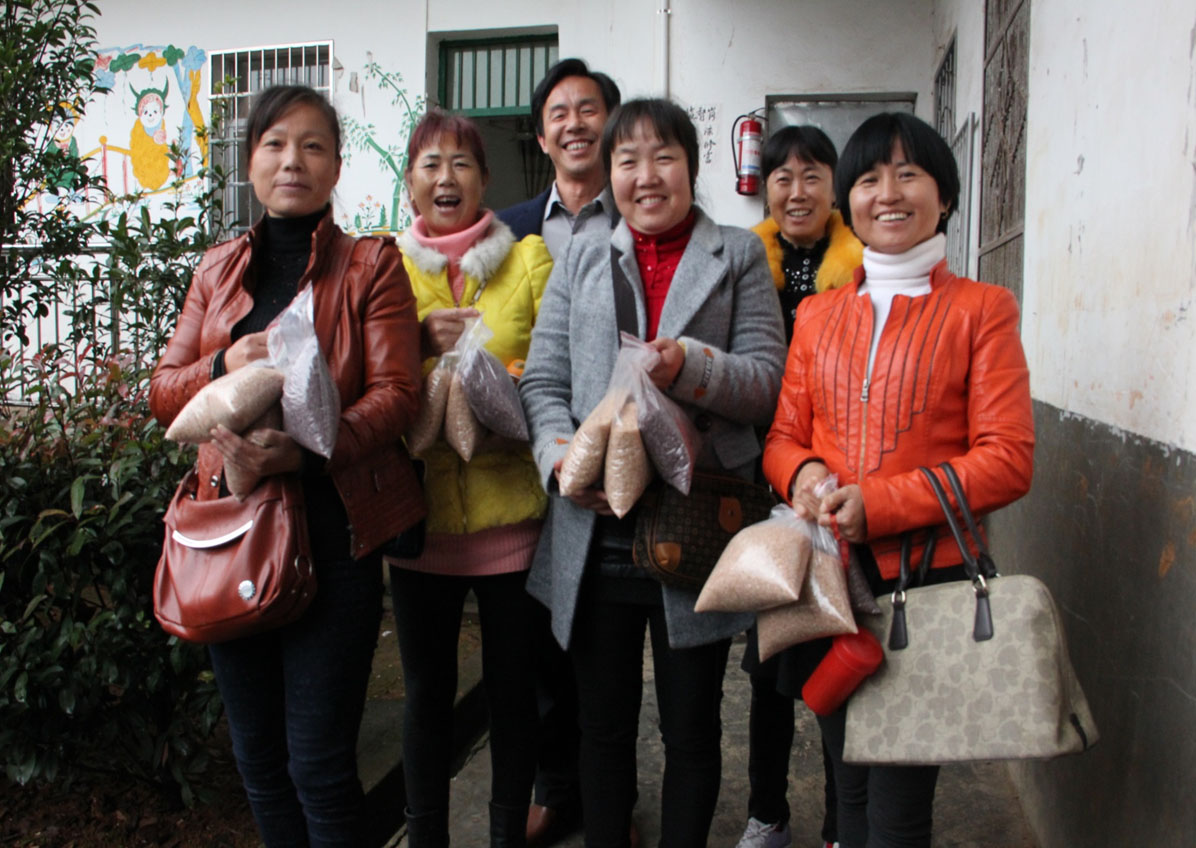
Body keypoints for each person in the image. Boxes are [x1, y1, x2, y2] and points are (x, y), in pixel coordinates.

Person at [149, 84, 423, 847]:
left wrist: (308, 453)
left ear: (335, 166)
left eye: (312, 145)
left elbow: (398, 394)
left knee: (320, 766)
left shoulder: (371, 265)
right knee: (260, 762)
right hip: (230, 534)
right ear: (250, 163)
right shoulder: (216, 271)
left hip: (334, 538)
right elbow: (162, 391)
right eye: (274, 144)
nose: (292, 160)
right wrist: (222, 363)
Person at [519, 98, 786, 848]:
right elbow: (542, 383)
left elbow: (767, 382)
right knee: (601, 728)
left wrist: (691, 366)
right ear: (610, 174)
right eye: (628, 160)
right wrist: (563, 462)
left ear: (691, 169)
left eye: (663, 157)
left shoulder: (737, 255)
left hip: (695, 527)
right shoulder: (582, 256)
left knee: (691, 729)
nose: (646, 176)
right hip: (596, 531)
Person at [763, 112, 1035, 848]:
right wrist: (805, 472)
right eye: (869, 178)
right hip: (829, 584)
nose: (888, 193)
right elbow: (782, 439)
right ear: (847, 200)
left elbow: (1008, 457)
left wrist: (880, 504)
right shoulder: (816, 315)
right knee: (846, 782)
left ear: (943, 196)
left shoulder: (982, 310)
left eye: (909, 174)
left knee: (897, 810)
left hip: (926, 585)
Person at [388, 108, 553, 848]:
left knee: (513, 694)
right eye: (430, 164)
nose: (445, 177)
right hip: (418, 524)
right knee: (426, 695)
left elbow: (554, 371)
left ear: (485, 180)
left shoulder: (530, 260)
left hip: (511, 521)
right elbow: (364, 369)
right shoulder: (385, 269)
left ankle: (505, 837)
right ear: (410, 184)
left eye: (461, 163)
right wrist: (417, 342)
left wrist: (498, 388)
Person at [497, 57, 622, 847]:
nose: (575, 124)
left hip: (613, 468)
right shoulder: (509, 228)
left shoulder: (639, 219)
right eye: (559, 114)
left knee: (605, 649)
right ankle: (557, 784)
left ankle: (611, 796)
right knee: (539, 638)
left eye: (589, 109)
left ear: (612, 123)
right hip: (523, 462)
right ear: (542, 137)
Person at [737, 125, 862, 848]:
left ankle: (843, 823)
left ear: (833, 187)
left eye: (812, 175)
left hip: (844, 492)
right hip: (766, 484)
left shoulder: (863, 266)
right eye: (782, 177)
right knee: (770, 664)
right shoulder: (746, 264)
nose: (797, 191)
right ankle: (767, 812)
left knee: (842, 661)